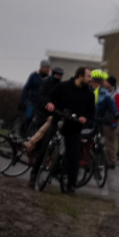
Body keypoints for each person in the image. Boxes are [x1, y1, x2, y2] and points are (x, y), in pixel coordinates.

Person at [41, 66, 95, 194]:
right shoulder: (64, 86)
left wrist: (85, 118)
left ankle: (71, 185)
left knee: (74, 156)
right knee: (44, 146)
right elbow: (49, 96)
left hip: (74, 128)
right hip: (58, 121)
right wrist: (50, 104)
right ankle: (34, 174)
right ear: (80, 76)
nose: (90, 79)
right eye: (88, 76)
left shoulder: (89, 94)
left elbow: (91, 113)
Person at [91, 70, 119, 169]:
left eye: (99, 82)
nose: (96, 84)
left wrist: (115, 113)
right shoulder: (87, 90)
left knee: (101, 141)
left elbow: (112, 104)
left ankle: (101, 160)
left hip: (98, 120)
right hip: (88, 119)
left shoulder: (105, 93)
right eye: (94, 81)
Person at [19, 59, 51, 134]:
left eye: (49, 67)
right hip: (32, 101)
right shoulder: (34, 76)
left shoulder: (49, 79)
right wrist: (22, 100)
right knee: (29, 117)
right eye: (46, 67)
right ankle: (23, 131)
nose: (48, 69)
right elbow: (27, 88)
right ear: (42, 67)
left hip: (42, 103)